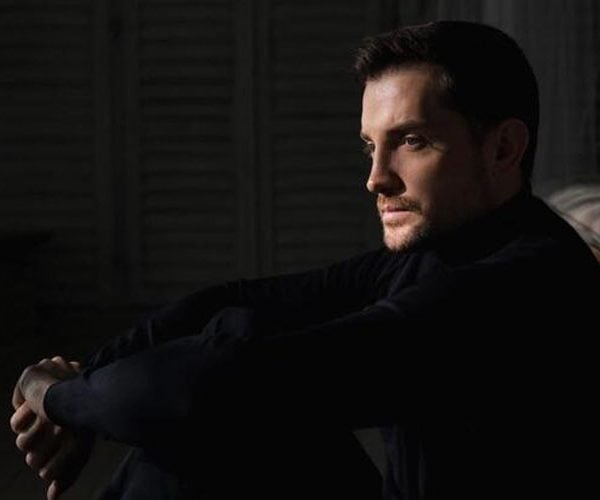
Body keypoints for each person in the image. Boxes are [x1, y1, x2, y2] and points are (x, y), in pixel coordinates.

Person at [11, 20, 600, 500]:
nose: (376, 178)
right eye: (371, 147)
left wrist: (58, 399)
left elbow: (204, 391)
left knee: (216, 407)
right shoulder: (445, 250)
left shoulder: (524, 284)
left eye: (411, 141)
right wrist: (84, 374)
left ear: (503, 148)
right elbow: (229, 303)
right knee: (237, 335)